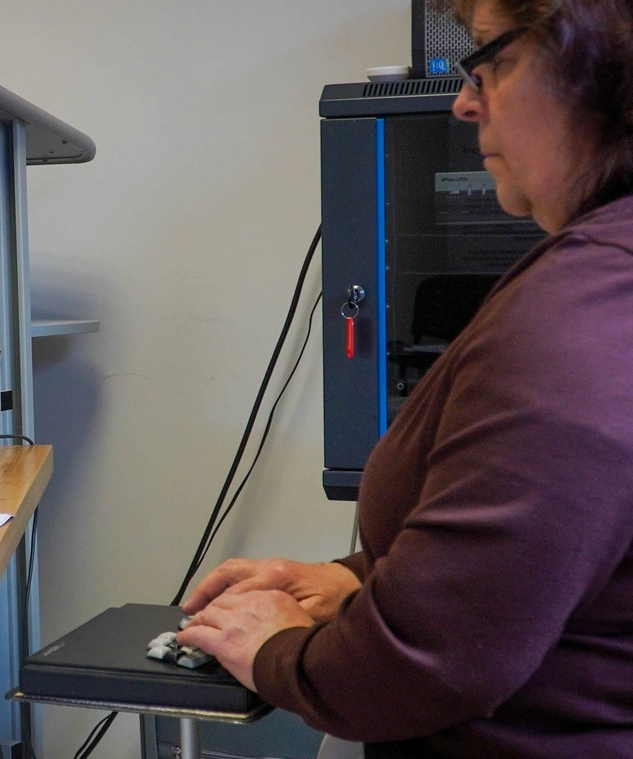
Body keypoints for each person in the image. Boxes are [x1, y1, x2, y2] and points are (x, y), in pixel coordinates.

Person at [175, 0, 633, 756]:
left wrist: (276, 646)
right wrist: (358, 580)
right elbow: (552, 570)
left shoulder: (580, 314)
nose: (463, 98)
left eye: (490, 55)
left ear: (601, 62)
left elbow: (426, 663)